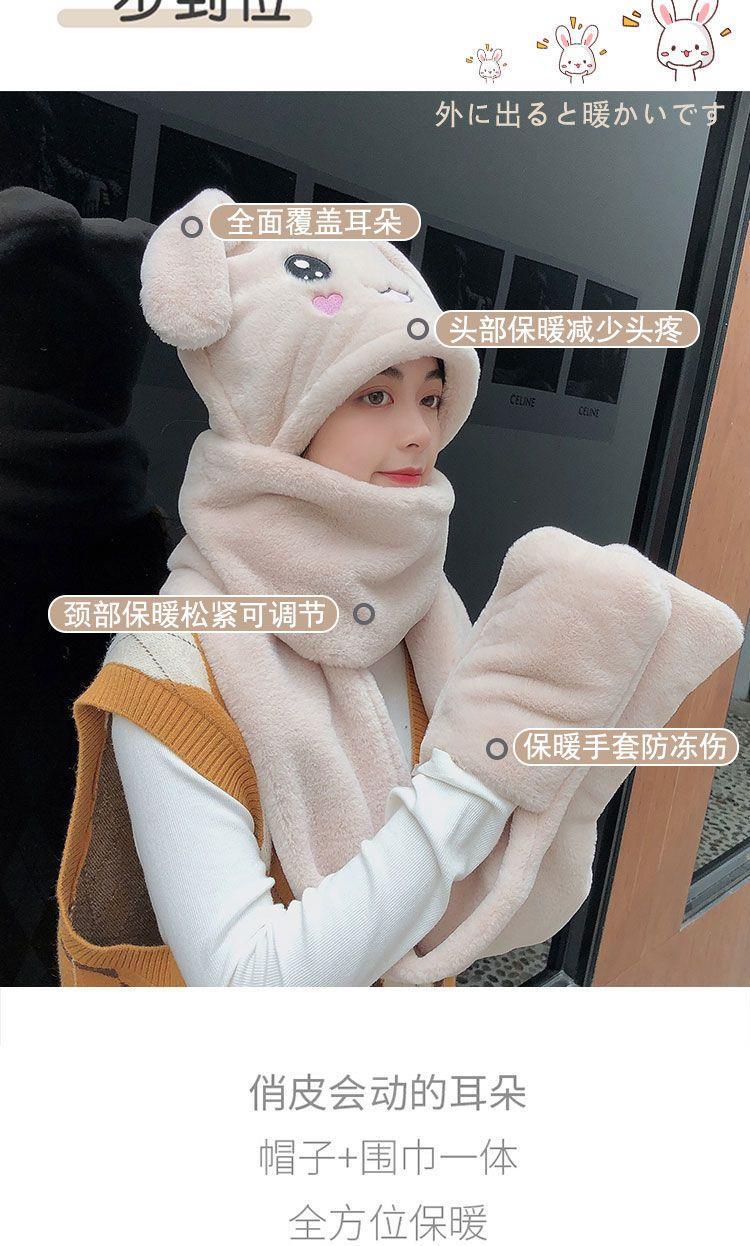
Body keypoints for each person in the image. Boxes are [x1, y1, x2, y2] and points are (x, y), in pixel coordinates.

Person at [107, 355, 516, 987]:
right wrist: (476, 781)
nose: (420, 433)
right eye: (375, 397)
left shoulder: (423, 608)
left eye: (432, 399)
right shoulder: (173, 659)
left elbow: (491, 893)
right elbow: (248, 984)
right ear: (283, 408)